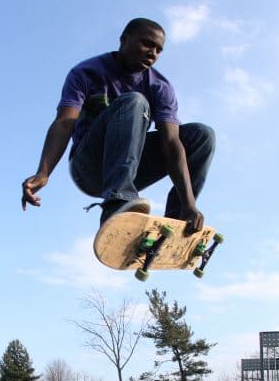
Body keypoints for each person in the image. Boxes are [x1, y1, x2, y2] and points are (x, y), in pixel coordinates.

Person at [21, 17, 215, 229]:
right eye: (147, 44)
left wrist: (189, 204)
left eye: (159, 50)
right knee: (135, 101)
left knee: (202, 135)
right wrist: (43, 172)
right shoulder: (87, 72)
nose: (153, 53)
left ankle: (178, 220)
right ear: (124, 40)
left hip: (131, 166)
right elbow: (64, 123)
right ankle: (117, 204)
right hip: (89, 167)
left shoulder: (160, 87)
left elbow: (170, 143)